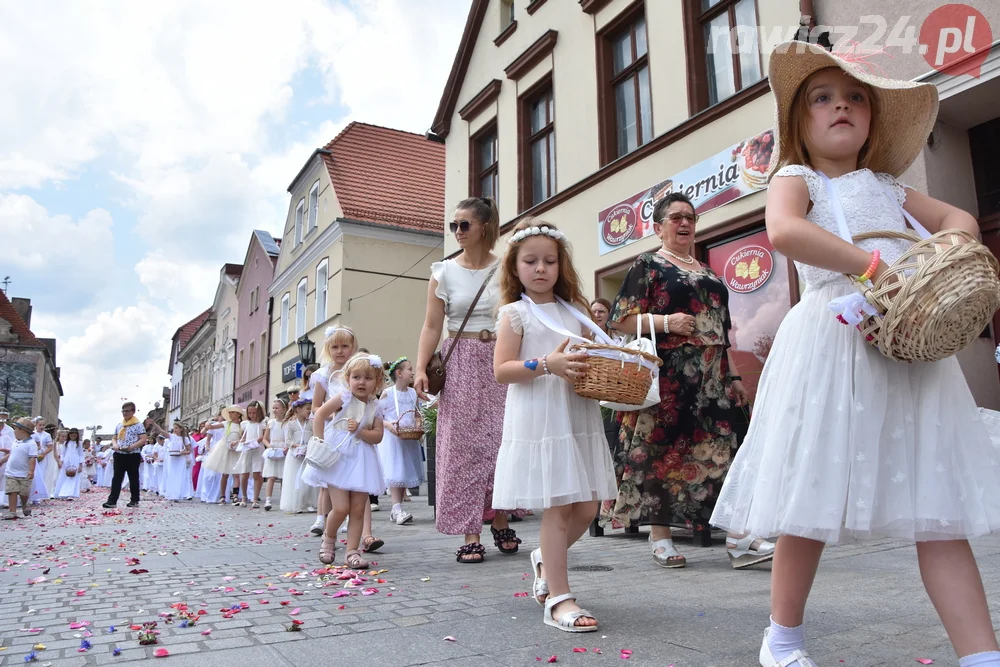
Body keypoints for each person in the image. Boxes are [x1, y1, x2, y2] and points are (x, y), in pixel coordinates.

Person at [710, 42, 1000, 667]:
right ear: (799, 124)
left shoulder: (888, 189)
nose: (840, 105)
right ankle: (781, 636)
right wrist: (871, 265)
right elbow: (786, 232)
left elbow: (957, 216)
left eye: (855, 98)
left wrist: (948, 253)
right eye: (823, 98)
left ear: (870, 121)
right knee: (809, 498)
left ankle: (981, 655)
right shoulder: (796, 178)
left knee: (938, 502)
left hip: (906, 341)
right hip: (832, 341)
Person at [606, 190, 771, 570]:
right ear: (658, 226)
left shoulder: (709, 272)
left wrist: (732, 374)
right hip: (669, 376)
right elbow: (619, 319)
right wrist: (665, 322)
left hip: (713, 378)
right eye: (676, 217)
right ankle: (659, 536)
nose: (684, 223)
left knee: (726, 450)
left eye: (691, 218)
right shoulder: (648, 264)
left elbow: (720, 329)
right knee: (660, 453)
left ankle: (737, 535)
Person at [492, 220, 617, 631]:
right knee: (560, 503)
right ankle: (559, 599)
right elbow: (502, 370)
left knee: (587, 505)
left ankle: (545, 559)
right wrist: (547, 364)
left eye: (549, 261)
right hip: (540, 411)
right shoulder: (515, 313)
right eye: (531, 261)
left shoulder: (575, 311)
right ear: (515, 267)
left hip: (574, 407)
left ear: (561, 266)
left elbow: (588, 353)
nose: (541, 268)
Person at [413, 196, 521, 563]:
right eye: (453, 226)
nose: (457, 232)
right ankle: (470, 531)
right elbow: (430, 325)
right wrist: (419, 368)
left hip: (501, 358)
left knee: (503, 441)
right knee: (463, 448)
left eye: (464, 225)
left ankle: (502, 519)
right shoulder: (442, 272)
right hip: (460, 361)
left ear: (485, 228)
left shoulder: (508, 267)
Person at [301, 353, 386, 568]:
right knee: (340, 508)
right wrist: (319, 441)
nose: (361, 382)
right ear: (348, 379)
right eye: (356, 377)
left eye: (368, 378)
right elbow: (319, 415)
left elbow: (378, 436)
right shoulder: (344, 397)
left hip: (362, 459)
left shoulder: (376, 406)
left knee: (358, 508)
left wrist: (359, 431)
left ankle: (352, 551)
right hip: (338, 456)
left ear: (377, 382)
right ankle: (329, 539)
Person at [378, 358, 424, 526]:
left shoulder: (412, 393)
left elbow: (417, 414)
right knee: (396, 473)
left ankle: (397, 509)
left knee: (404, 473)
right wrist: (389, 425)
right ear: (399, 373)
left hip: (409, 438)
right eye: (409, 369)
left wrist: (418, 425)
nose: (412, 372)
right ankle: (396, 509)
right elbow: (378, 416)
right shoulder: (388, 393)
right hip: (393, 439)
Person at [103, 402, 147, 508]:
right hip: (119, 454)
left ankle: (134, 499)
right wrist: (115, 444)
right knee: (117, 477)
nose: (125, 413)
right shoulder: (120, 425)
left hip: (132, 454)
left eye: (127, 411)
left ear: (133, 411)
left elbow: (143, 439)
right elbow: (114, 437)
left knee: (133, 477)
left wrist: (131, 447)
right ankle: (112, 500)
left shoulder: (138, 425)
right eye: (123, 411)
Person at [202, 406, 244, 504]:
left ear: (238, 414)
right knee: (225, 473)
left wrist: (237, 442)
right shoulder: (226, 423)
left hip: (236, 450)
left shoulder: (242, 425)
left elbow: (244, 437)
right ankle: (222, 495)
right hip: (225, 449)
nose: (230, 414)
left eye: (233, 412)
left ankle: (235, 496)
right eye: (230, 412)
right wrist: (208, 424)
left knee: (236, 473)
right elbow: (213, 426)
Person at [280, 398, 314, 514]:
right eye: (307, 409)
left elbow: (314, 436)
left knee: (307, 478)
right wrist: (296, 446)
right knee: (295, 478)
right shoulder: (291, 424)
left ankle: (308, 502)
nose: (309, 411)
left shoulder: (311, 423)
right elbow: (288, 440)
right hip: (295, 454)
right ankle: (296, 503)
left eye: (310, 409)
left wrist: (309, 446)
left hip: (308, 453)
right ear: (298, 409)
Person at [3, 418, 38, 519]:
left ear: (23, 430)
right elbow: (11, 454)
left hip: (24, 474)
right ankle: (12, 511)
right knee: (12, 491)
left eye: (15, 429)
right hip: (11, 472)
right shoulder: (15, 442)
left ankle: (24, 503)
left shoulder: (31, 444)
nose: (14, 431)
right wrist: (2, 460)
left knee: (24, 492)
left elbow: (32, 458)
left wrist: (31, 470)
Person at [235, 401, 267, 508]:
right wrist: (242, 442)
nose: (252, 415)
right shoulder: (245, 424)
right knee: (244, 474)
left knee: (257, 474)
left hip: (258, 450)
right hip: (247, 450)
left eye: (254, 413)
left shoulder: (263, 424)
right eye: (250, 413)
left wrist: (258, 440)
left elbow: (264, 437)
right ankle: (244, 496)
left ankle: (255, 498)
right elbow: (243, 436)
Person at [261, 398, 288, 511]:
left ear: (283, 409)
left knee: (283, 477)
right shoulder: (271, 423)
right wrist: (269, 446)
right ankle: (268, 499)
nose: (274, 410)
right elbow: (265, 438)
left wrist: (286, 447)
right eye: (273, 408)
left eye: (277, 408)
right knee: (271, 476)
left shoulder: (287, 423)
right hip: (273, 450)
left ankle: (283, 499)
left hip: (283, 450)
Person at [54, 428, 84, 499]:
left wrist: (80, 465)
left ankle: (70, 493)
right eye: (71, 435)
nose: (73, 437)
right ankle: (62, 493)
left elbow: (81, 454)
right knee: (64, 477)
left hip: (75, 461)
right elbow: (63, 453)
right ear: (69, 435)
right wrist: (61, 461)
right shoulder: (66, 443)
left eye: (75, 435)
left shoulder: (79, 443)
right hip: (66, 462)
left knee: (73, 477)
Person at [164, 424, 192, 501]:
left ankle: (178, 495)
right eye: (174, 428)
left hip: (180, 459)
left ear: (181, 429)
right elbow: (162, 432)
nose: (175, 429)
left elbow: (189, 451)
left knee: (179, 477)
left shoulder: (185, 439)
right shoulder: (172, 437)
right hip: (172, 459)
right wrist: (154, 424)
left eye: (176, 428)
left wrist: (182, 453)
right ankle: (171, 494)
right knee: (172, 476)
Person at [29, 419, 53, 503]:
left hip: (42, 456)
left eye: (43, 425)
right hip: (32, 455)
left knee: (41, 475)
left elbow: (50, 447)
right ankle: (32, 495)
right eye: (40, 425)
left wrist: (43, 453)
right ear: (36, 425)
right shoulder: (32, 434)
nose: (42, 427)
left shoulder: (47, 435)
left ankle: (39, 495)